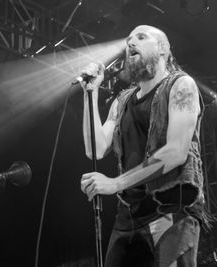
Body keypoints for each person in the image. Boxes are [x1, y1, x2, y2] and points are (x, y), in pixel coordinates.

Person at [80, 25, 209, 267]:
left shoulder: (181, 86)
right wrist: (91, 92)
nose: (130, 43)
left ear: (163, 49)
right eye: (128, 39)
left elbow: (176, 152)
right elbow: (95, 149)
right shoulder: (122, 102)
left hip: (170, 209)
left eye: (141, 37)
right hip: (128, 215)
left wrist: (115, 183)